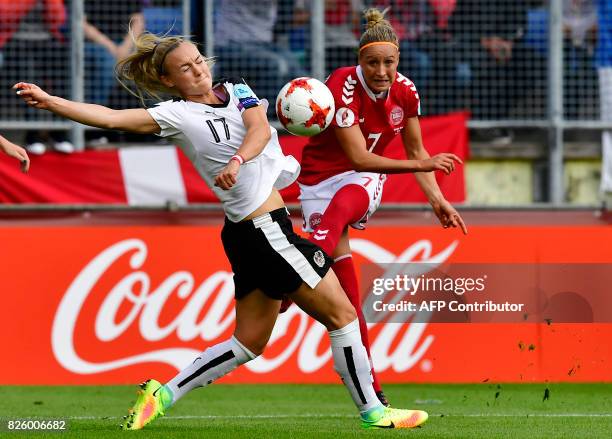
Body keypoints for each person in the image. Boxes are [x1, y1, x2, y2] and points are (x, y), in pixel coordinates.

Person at [14, 33, 429, 430]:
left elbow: (260, 129)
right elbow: (110, 116)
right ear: (168, 80)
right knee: (342, 315)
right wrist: (52, 102)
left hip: (250, 232)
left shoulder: (238, 90)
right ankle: (373, 410)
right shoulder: (176, 115)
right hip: (265, 231)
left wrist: (239, 161)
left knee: (248, 342)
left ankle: (162, 395)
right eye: (185, 69)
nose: (197, 71)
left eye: (198, 61)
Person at [295, 8, 467, 406]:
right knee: (351, 303)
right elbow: (359, 155)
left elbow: (413, 149)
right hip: (319, 181)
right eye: (372, 62)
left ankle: (290, 286)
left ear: (398, 61)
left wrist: (438, 199)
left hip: (364, 182)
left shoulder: (406, 92)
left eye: (389, 62)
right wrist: (421, 165)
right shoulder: (341, 84)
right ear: (360, 61)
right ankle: (372, 387)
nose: (381, 70)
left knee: (343, 207)